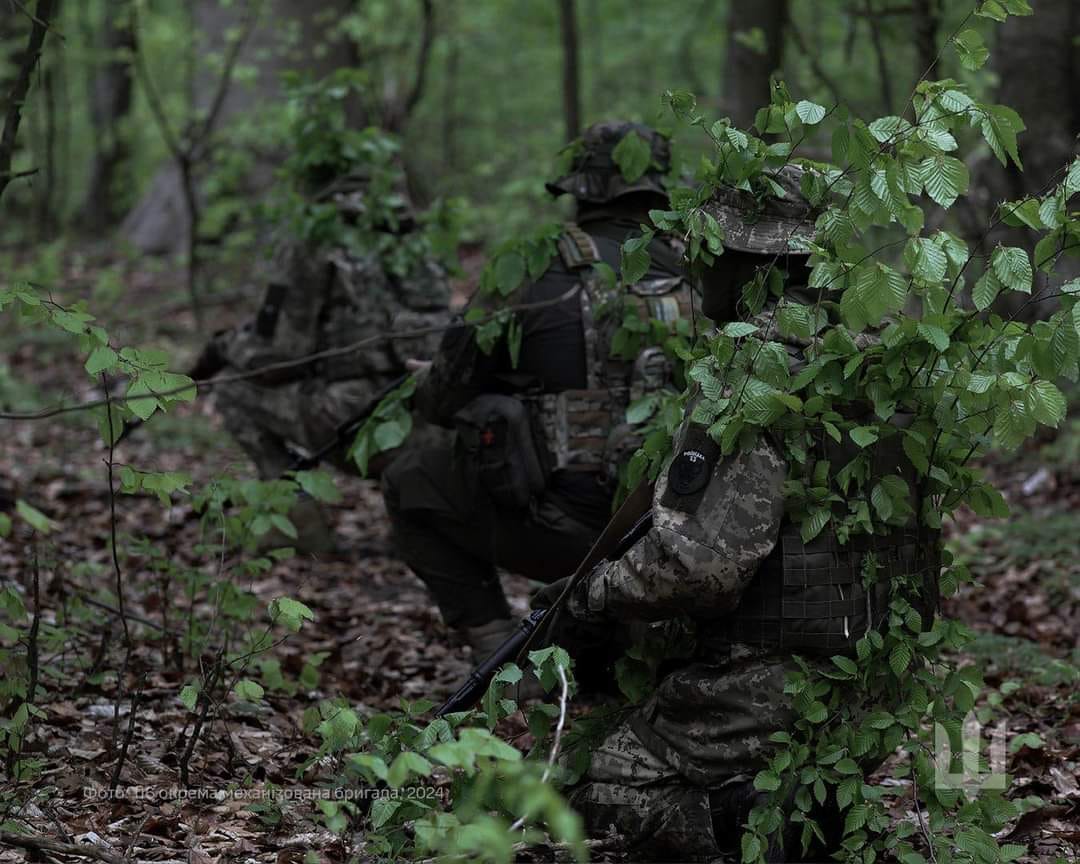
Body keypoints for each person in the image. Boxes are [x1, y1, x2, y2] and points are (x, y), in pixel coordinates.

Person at [536, 166, 941, 861]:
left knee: (587, 787)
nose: (702, 276)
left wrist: (589, 596)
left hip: (773, 690)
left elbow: (702, 569)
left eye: (714, 257)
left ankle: (759, 823)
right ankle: (800, 799)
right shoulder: (894, 366)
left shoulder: (753, 378)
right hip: (882, 688)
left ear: (750, 266)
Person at [381, 121, 697, 658]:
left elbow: (441, 399)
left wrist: (427, 378)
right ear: (658, 191)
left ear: (578, 190)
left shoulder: (529, 267)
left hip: (575, 533)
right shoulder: (707, 268)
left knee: (411, 478)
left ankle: (499, 649)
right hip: (689, 543)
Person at [213, 172, 451, 553]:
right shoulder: (411, 234)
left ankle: (298, 524)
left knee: (230, 388)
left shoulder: (315, 236)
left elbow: (276, 363)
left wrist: (229, 348)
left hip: (362, 425)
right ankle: (418, 524)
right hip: (440, 425)